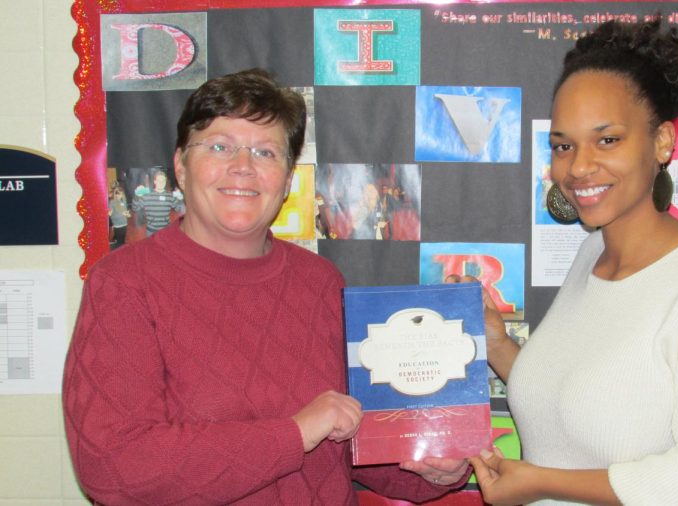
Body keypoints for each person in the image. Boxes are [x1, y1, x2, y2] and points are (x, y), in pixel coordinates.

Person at [63, 68, 469, 505]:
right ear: (181, 165)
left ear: (288, 179)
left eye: (265, 152)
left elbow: (351, 443)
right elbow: (114, 467)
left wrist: (432, 467)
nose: (242, 167)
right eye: (220, 146)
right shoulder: (125, 282)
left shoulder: (319, 283)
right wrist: (294, 434)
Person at [467, 19, 678, 505]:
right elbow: (575, 407)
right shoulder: (591, 255)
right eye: (564, 145)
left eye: (607, 140)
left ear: (663, 143)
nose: (579, 166)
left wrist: (541, 481)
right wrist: (499, 346)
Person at [131, 168, 185, 237]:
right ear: (155, 182)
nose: (161, 183)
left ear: (165, 182)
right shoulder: (147, 196)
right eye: (159, 180)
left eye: (163, 181)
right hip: (151, 232)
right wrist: (137, 196)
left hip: (166, 231)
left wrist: (180, 199)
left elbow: (179, 209)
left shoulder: (170, 196)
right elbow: (135, 208)